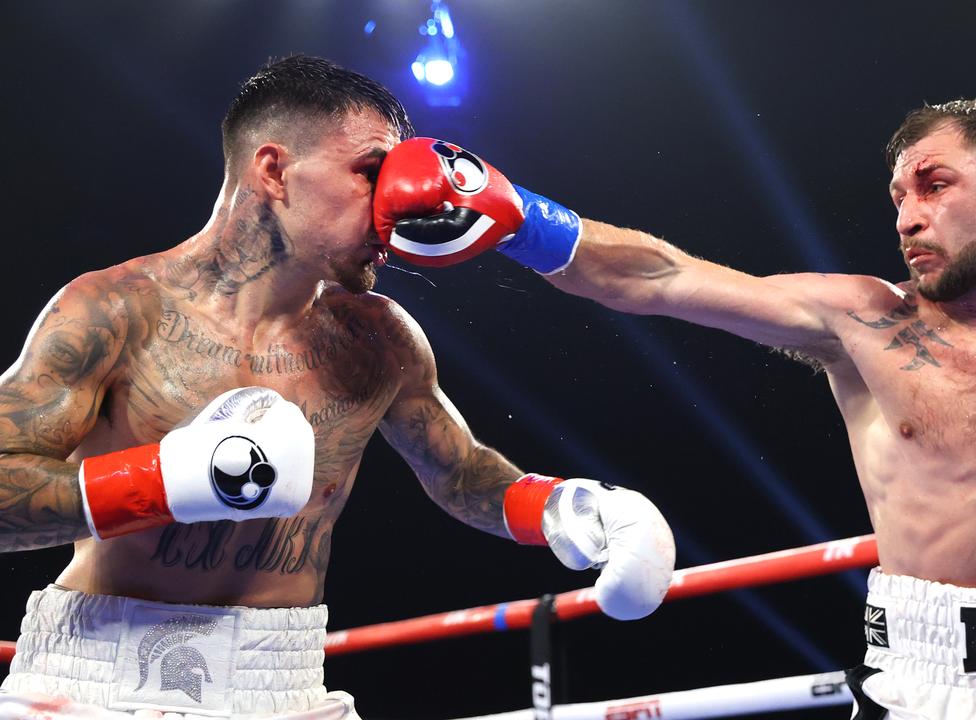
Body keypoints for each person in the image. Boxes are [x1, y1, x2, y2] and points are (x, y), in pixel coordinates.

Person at [372, 99, 976, 718]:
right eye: (897, 197)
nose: (906, 216)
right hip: (924, 680)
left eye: (933, 185)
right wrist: (515, 213)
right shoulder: (865, 323)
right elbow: (663, 276)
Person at [0, 55, 675, 720]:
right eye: (371, 173)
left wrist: (567, 508)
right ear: (273, 170)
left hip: (284, 680)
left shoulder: (377, 338)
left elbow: (462, 474)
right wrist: (167, 479)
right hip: (94, 681)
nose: (394, 207)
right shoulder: (116, 311)